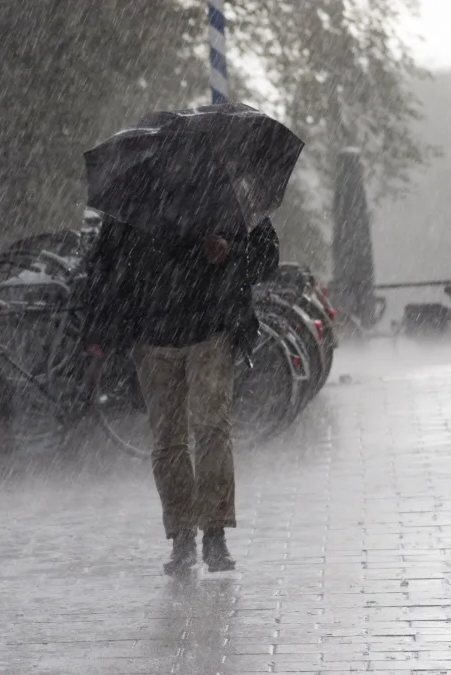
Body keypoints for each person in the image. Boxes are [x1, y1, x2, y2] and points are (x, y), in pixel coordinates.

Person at [80, 178, 279, 575]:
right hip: (153, 338)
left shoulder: (226, 195)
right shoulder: (132, 201)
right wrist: (100, 328)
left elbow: (265, 257)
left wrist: (229, 251)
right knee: (170, 439)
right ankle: (184, 537)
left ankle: (215, 535)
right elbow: (104, 266)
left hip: (210, 330)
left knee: (209, 431)